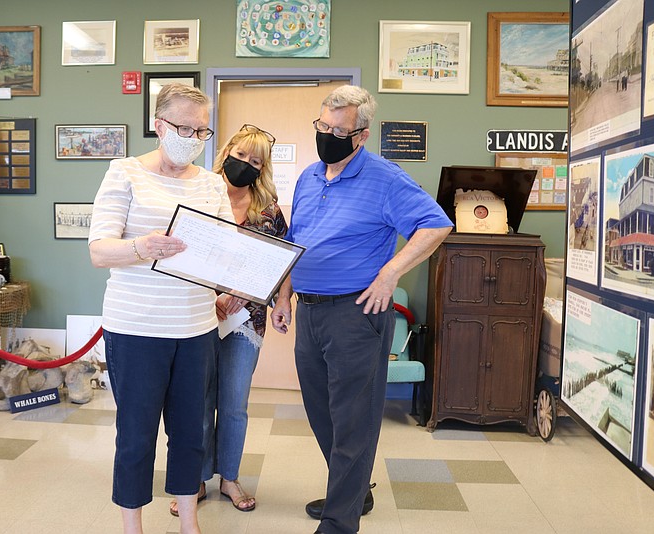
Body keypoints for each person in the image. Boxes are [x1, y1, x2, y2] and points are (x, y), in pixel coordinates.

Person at [271, 85, 453, 534]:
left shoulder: (384, 177)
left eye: (339, 129)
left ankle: (340, 522)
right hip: (310, 312)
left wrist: (390, 274)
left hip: (356, 313)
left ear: (362, 135)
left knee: (353, 418)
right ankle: (355, 491)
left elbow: (436, 225)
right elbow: (297, 241)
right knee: (322, 413)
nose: (328, 134)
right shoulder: (310, 177)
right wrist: (284, 295)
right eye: (323, 126)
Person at [88, 83, 232, 534]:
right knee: (136, 436)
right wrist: (142, 246)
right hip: (136, 327)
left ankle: (190, 523)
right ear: (158, 123)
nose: (191, 138)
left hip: (196, 327)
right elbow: (99, 251)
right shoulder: (125, 172)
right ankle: (133, 526)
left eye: (201, 131)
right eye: (182, 127)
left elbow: (228, 249)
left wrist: (240, 278)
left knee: (192, 433)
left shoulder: (211, 184)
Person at [168, 124, 288, 517]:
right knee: (198, 401)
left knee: (233, 403)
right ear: (225, 154)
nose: (246, 165)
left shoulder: (267, 208)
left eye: (256, 161)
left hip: (244, 320)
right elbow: (181, 249)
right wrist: (212, 295)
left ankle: (230, 477)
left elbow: (280, 261)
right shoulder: (199, 192)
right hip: (197, 313)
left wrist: (244, 292)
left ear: (263, 168)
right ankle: (198, 478)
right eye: (241, 156)